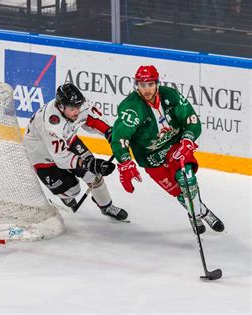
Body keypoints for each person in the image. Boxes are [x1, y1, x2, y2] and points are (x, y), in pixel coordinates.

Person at [110, 65, 224, 234]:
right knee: (178, 191)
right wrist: (125, 162)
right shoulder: (131, 108)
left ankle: (197, 215)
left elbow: (192, 121)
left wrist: (187, 140)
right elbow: (120, 138)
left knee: (185, 177)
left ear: (157, 83)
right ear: (137, 86)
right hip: (150, 158)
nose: (146, 89)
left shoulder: (170, 96)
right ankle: (202, 211)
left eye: (150, 84)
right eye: (142, 85)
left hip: (174, 147)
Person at [23, 83, 128, 221]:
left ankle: (106, 207)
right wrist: (90, 163)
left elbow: (94, 121)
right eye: (72, 109)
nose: (77, 112)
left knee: (93, 175)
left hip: (68, 140)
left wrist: (111, 134)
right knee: (73, 190)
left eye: (78, 107)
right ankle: (65, 193)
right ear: (61, 107)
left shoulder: (79, 105)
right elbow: (61, 158)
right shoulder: (50, 125)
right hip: (42, 155)